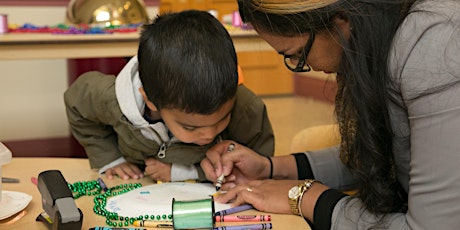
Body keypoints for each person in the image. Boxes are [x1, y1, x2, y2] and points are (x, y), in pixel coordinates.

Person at [201, 0, 460, 229]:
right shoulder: (383, 39)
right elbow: (382, 157)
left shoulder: (435, 44)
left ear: (341, 22)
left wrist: (304, 197)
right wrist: (271, 168)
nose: (308, 65)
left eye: (299, 55)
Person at [64, 10, 274, 182]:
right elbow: (76, 102)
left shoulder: (245, 107)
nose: (209, 135)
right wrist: (111, 159)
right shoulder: (112, 99)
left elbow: (256, 168)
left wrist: (183, 173)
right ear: (150, 101)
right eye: (191, 127)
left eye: (222, 120)